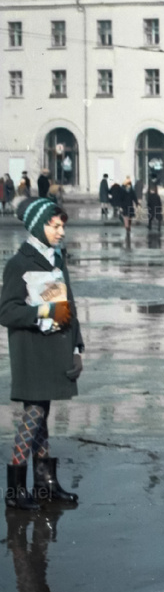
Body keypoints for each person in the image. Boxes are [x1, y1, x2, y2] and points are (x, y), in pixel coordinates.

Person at [0, 198, 84, 509]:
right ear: (38, 226)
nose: (61, 232)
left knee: (42, 415)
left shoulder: (56, 260)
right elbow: (6, 311)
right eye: (55, 226)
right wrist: (42, 312)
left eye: (63, 226)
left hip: (56, 351)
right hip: (32, 353)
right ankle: (15, 492)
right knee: (33, 414)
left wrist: (76, 349)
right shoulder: (18, 264)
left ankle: (45, 486)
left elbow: (69, 307)